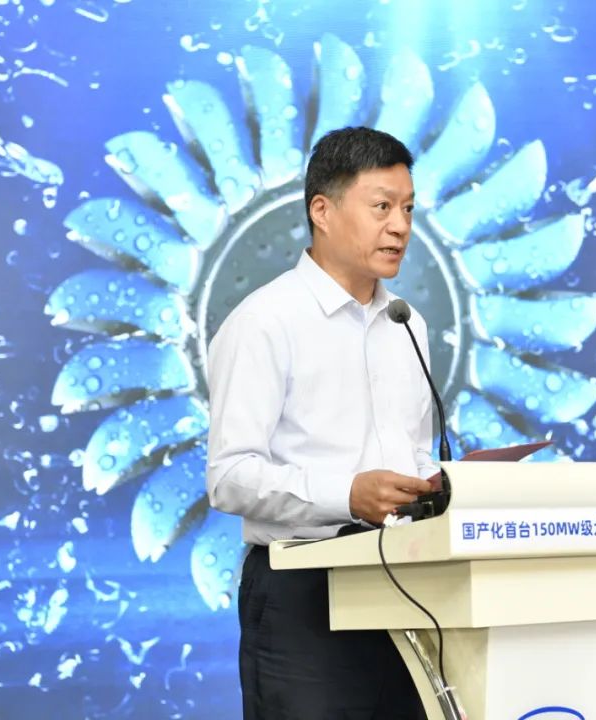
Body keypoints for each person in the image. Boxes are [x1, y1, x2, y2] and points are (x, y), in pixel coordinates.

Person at [207, 126, 438, 719]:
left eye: (408, 209)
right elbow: (229, 477)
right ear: (322, 211)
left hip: (407, 587)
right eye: (382, 207)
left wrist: (438, 487)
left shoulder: (407, 325)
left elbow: (415, 452)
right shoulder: (265, 321)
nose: (400, 226)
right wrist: (347, 495)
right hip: (303, 594)